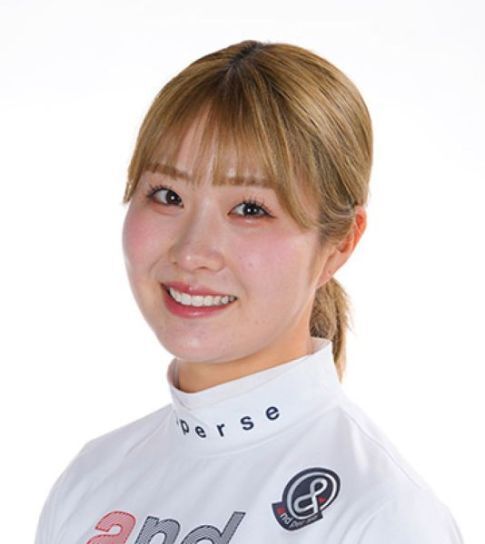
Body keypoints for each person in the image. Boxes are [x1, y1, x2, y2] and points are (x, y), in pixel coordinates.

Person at [34, 40, 464, 543]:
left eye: (251, 209)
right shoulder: (91, 481)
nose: (192, 252)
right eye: (168, 195)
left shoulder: (382, 516)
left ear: (340, 243)